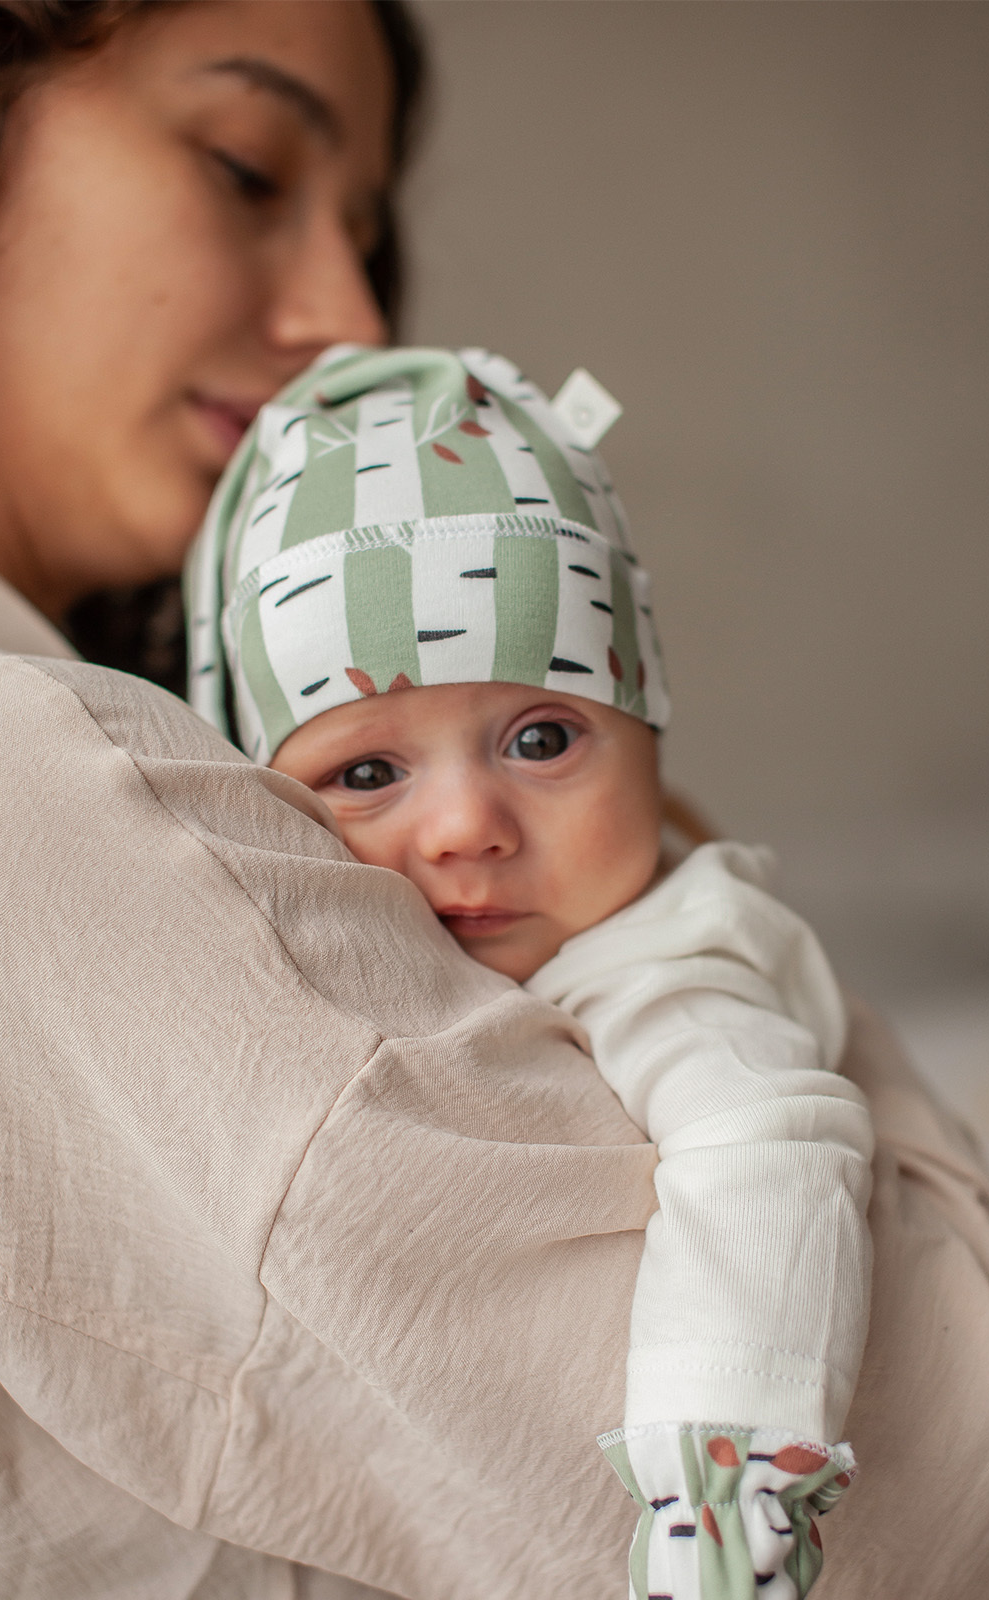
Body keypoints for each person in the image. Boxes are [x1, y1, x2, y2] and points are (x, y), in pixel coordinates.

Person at [0, 3, 989, 1597]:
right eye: (247, 165)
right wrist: (730, 932)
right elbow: (962, 1467)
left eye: (365, 232)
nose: (341, 320)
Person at [188, 342, 874, 1599]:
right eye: (367, 772)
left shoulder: (667, 969)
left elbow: (765, 1157)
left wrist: (723, 1511)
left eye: (542, 737)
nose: (467, 826)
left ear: (650, 733)